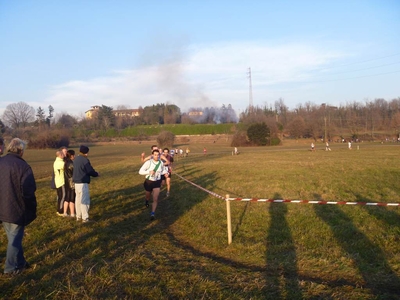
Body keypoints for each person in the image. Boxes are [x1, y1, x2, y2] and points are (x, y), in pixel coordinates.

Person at [0, 138, 37, 275]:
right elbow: (28, 192)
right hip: (16, 209)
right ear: (21, 151)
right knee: (14, 240)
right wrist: (31, 209)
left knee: (13, 237)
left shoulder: (1, 162)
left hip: (2, 208)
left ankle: (20, 262)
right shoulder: (23, 167)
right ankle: (10, 269)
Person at [139, 149, 169, 220]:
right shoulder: (148, 162)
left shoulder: (161, 163)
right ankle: (146, 201)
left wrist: (165, 173)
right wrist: (149, 172)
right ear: (152, 155)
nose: (156, 156)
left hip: (157, 182)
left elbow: (162, 170)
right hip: (149, 182)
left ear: (159, 155)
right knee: (148, 196)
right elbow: (140, 171)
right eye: (155, 155)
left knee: (155, 198)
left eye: (158, 155)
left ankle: (152, 213)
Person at [72, 145, 99, 223]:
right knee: (85, 200)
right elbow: (89, 171)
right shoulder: (85, 160)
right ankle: (85, 218)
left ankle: (78, 216)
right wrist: (96, 174)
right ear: (86, 152)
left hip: (76, 183)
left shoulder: (75, 159)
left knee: (78, 200)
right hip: (83, 183)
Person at [54, 150, 66, 216]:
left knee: (59, 197)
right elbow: (67, 168)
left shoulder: (56, 162)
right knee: (62, 196)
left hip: (57, 181)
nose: (64, 155)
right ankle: (60, 211)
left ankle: (59, 209)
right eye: (63, 154)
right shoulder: (60, 163)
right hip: (61, 182)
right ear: (60, 155)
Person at [64, 149, 76, 217]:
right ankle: (72, 213)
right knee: (72, 198)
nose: (74, 156)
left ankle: (65, 212)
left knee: (67, 198)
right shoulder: (71, 163)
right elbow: (74, 173)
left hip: (66, 182)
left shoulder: (66, 162)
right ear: (71, 156)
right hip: (71, 183)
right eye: (74, 155)